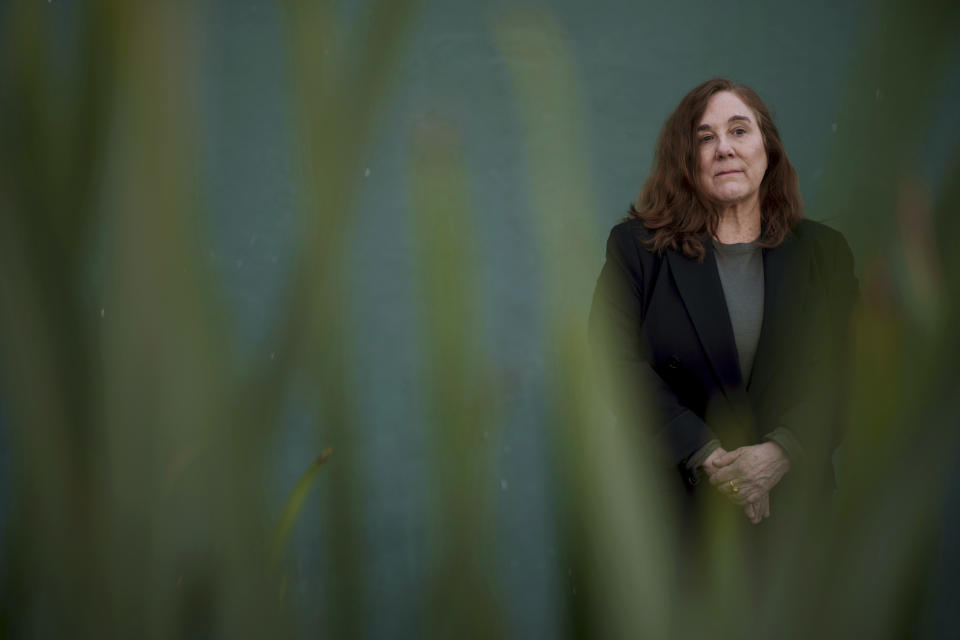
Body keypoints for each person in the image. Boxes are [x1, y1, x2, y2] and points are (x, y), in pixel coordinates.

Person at [588, 78, 858, 533]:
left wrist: (782, 451)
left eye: (739, 130)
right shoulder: (638, 249)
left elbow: (852, 367)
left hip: (795, 523)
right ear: (686, 160)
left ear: (766, 148)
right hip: (675, 515)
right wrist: (708, 457)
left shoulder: (824, 253)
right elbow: (610, 362)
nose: (724, 148)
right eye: (705, 137)